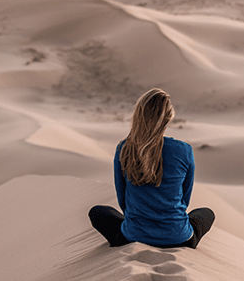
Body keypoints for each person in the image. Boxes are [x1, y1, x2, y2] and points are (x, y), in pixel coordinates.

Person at [89, 88, 215, 249]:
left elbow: (123, 200)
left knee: (98, 213)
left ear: (138, 115)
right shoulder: (184, 150)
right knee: (206, 213)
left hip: (133, 236)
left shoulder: (125, 148)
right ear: (168, 118)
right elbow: (185, 199)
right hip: (178, 237)